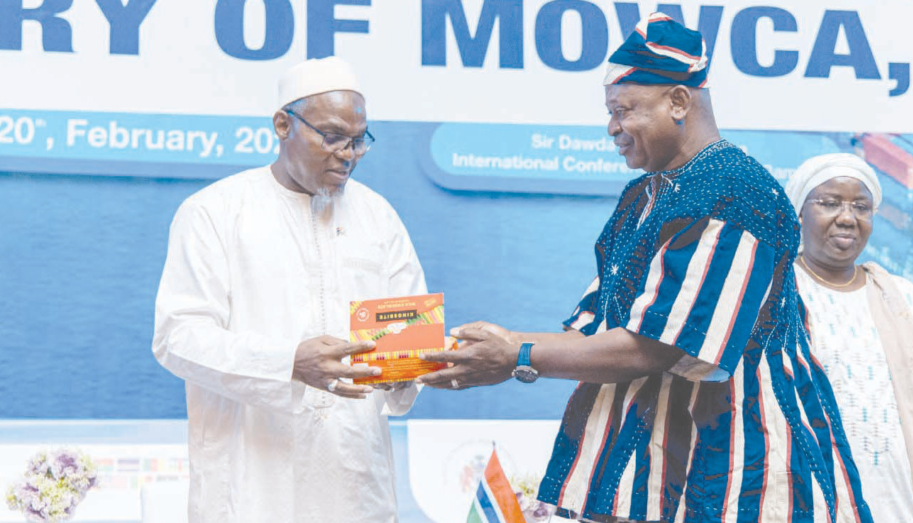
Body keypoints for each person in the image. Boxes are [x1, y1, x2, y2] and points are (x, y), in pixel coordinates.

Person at [419, 14, 873, 523]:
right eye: (610, 112)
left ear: (678, 101)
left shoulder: (735, 192)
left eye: (623, 110)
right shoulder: (644, 196)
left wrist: (516, 355)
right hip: (650, 470)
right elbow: (600, 331)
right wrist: (473, 349)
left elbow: (657, 346)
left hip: (741, 469)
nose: (612, 128)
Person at [152, 57, 426, 523]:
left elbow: (407, 337)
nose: (348, 153)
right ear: (283, 125)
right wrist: (289, 363)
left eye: (359, 140)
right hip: (252, 487)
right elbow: (178, 338)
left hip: (355, 485)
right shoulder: (215, 212)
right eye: (333, 136)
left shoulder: (379, 217)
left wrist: (407, 369)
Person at [785, 153, 913, 523]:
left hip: (902, 506)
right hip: (805, 505)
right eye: (830, 203)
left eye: (861, 207)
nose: (847, 217)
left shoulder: (901, 298)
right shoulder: (776, 292)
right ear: (799, 212)